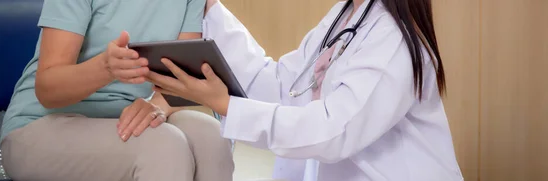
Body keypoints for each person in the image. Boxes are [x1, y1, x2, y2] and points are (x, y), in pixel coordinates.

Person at [148, 0, 464, 180]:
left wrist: (226, 104)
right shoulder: (347, 14)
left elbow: (334, 131)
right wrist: (210, 8)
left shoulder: (393, 38)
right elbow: (285, 88)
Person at [0, 0, 234, 181]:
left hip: (121, 120)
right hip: (39, 125)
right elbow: (47, 91)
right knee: (162, 145)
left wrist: (157, 106)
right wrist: (105, 68)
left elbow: (181, 77)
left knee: (211, 136)